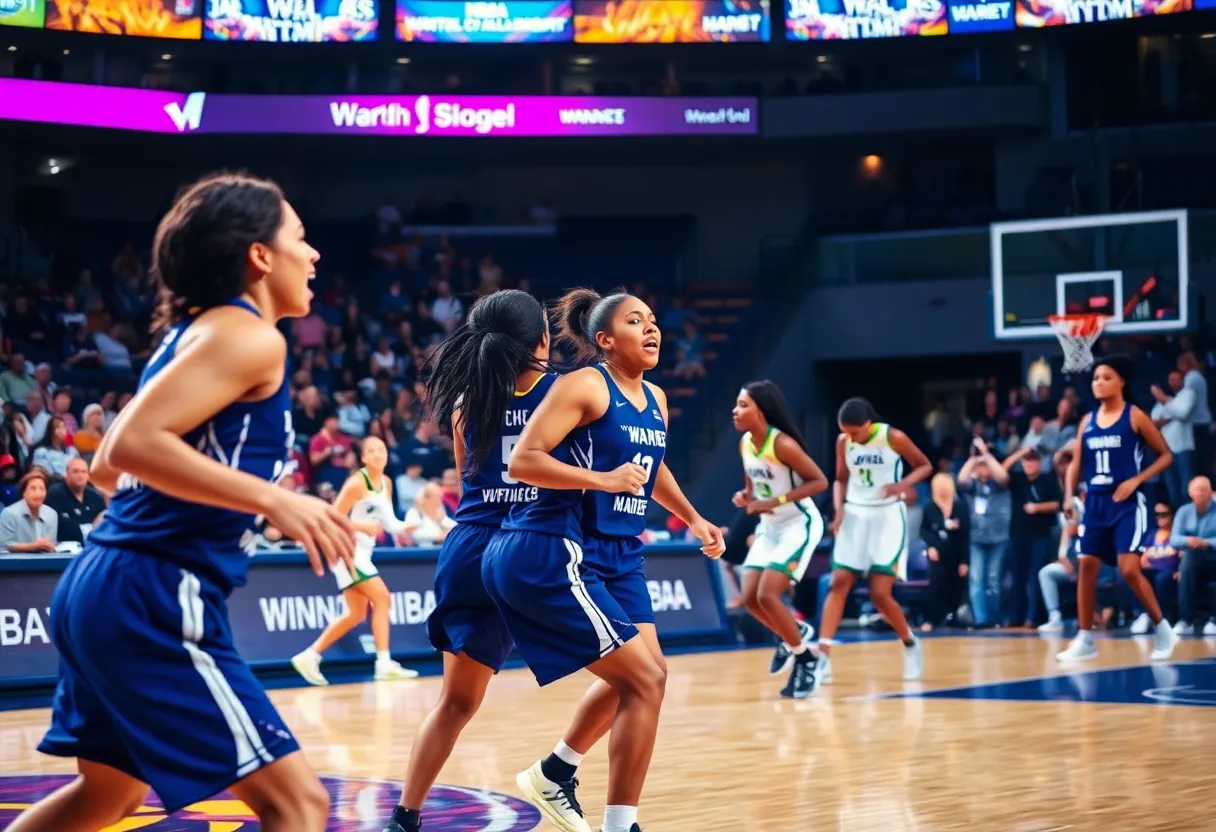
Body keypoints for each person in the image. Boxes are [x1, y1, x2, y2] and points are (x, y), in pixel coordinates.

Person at [8, 172, 357, 832]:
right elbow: (133, 443)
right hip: (153, 593)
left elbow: (109, 462)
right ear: (260, 254)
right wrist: (271, 500)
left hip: (104, 585)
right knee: (299, 806)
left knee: (106, 799)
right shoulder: (249, 336)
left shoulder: (198, 334)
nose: (313, 256)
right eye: (301, 239)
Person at [485, 288, 724, 832]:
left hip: (623, 551)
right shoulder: (587, 385)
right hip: (575, 545)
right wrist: (601, 480)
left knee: (649, 677)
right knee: (643, 681)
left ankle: (556, 769)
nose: (651, 328)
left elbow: (650, 467)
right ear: (605, 340)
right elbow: (523, 459)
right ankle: (620, 822)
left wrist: (694, 517)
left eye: (654, 319)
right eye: (635, 320)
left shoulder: (658, 400)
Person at [383, 289, 557, 832]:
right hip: (532, 545)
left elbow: (469, 477)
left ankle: (404, 818)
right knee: (638, 674)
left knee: (454, 703)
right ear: (542, 342)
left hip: (471, 545)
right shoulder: (565, 394)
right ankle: (562, 770)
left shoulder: (466, 401)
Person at [1058, 354, 1179, 662]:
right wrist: (1069, 497)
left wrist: (1136, 480)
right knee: (1086, 564)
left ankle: (1163, 628)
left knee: (1128, 569)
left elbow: (1166, 456)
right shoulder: (1087, 421)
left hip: (1128, 502)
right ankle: (1085, 638)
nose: (1099, 382)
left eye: (1106, 377)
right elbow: (1075, 464)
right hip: (1095, 501)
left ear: (1121, 382)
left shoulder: (1134, 415)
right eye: (1096, 378)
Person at [816, 397, 932, 688]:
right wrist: (839, 508)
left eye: (855, 432)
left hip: (886, 517)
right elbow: (840, 479)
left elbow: (924, 466)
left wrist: (902, 486)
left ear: (868, 424)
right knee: (838, 582)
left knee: (880, 594)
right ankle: (823, 656)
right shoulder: (844, 441)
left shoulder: (892, 437)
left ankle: (909, 641)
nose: (850, 437)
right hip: (855, 513)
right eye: (846, 432)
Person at [291, 435, 419, 686]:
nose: (378, 454)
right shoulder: (355, 483)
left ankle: (309, 656)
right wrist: (361, 526)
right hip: (347, 551)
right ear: (362, 457)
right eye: (371, 451)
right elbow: (331, 518)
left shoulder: (386, 482)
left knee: (356, 614)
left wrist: (408, 526)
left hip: (363, 552)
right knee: (382, 598)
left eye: (381, 449)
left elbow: (389, 523)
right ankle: (383, 663)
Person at [730, 380, 828, 698]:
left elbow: (819, 481)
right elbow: (753, 485)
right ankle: (794, 633)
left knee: (769, 594)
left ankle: (806, 657)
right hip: (770, 527)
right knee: (749, 599)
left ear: (762, 411)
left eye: (743, 405)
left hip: (799, 523)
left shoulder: (782, 444)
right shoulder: (746, 443)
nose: (736, 410)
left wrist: (775, 501)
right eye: (737, 404)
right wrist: (746, 496)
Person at [919, 472, 969, 631]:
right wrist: (930, 546)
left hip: (956, 553)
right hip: (937, 554)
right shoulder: (929, 507)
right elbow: (924, 531)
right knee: (936, 584)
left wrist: (965, 561)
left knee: (956, 585)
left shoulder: (960, 506)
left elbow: (966, 535)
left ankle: (952, 617)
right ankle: (930, 619)